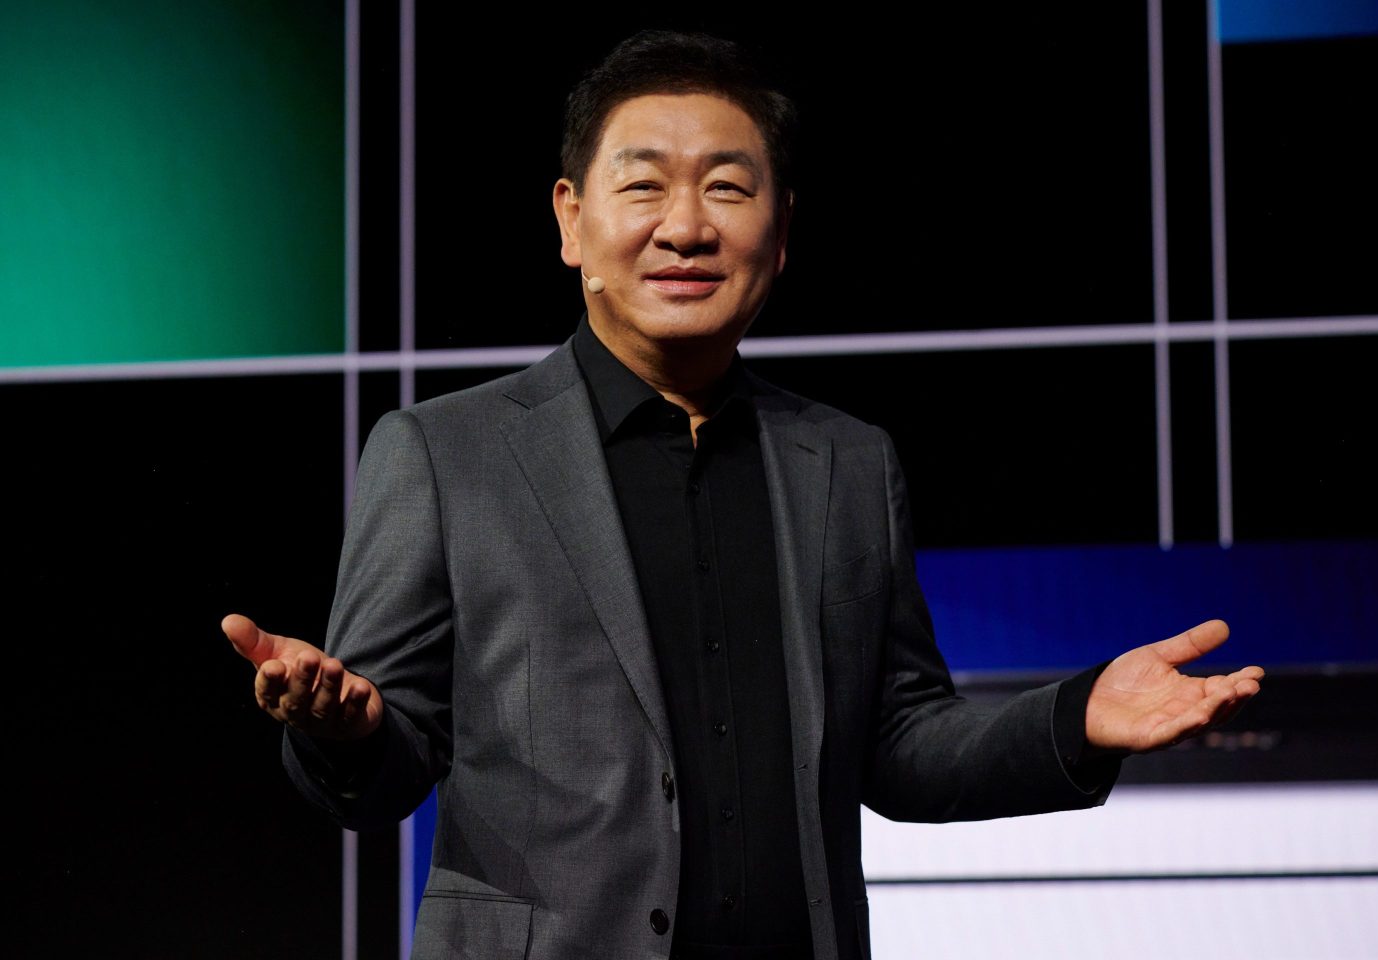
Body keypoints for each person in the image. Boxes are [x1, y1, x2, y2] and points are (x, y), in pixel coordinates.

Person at [223, 30, 1263, 960]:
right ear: (572, 221)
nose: (686, 228)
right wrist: (344, 730)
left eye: (727, 188)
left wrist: (1078, 718)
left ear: (782, 228)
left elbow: (901, 747)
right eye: (643, 187)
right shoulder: (445, 455)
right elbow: (382, 770)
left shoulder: (847, 465)